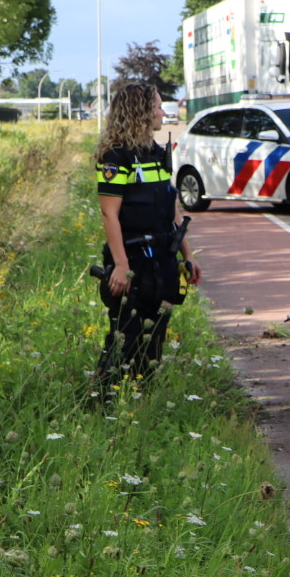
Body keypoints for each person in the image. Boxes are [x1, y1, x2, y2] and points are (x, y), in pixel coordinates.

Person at [95, 82, 201, 384]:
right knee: (125, 338)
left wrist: (188, 254)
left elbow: (172, 211)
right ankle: (106, 402)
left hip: (163, 260)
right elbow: (109, 214)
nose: (162, 112)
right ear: (139, 112)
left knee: (155, 338)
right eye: (156, 106)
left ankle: (143, 398)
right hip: (133, 260)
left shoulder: (157, 153)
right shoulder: (115, 157)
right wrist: (122, 265)